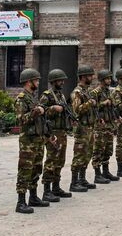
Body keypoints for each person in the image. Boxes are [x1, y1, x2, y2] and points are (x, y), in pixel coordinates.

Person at [14, 68, 50, 214]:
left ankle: (33, 197)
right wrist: (37, 111)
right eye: (36, 80)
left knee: (36, 168)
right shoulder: (21, 99)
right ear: (29, 82)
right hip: (27, 141)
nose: (38, 82)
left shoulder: (33, 97)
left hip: (38, 139)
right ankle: (21, 202)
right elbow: (21, 119)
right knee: (25, 170)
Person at [39, 69, 73, 203]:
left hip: (62, 131)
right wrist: (53, 108)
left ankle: (56, 187)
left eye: (62, 80)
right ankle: (47, 191)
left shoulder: (61, 95)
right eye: (60, 80)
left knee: (60, 160)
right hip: (52, 132)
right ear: (53, 81)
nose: (62, 82)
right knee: (51, 160)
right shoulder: (47, 96)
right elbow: (40, 112)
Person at [69, 65, 98, 192]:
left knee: (88, 153)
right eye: (90, 75)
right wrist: (89, 103)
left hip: (90, 127)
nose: (92, 77)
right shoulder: (77, 92)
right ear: (83, 77)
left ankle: (82, 179)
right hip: (82, 128)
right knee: (79, 155)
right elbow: (77, 110)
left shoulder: (87, 91)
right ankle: (74, 182)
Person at [91, 70, 118, 183]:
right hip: (100, 125)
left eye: (110, 78)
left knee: (108, 149)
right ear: (102, 80)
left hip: (109, 124)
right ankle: (98, 175)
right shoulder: (95, 92)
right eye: (107, 78)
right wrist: (103, 103)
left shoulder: (108, 92)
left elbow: (112, 107)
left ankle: (105, 172)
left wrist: (116, 117)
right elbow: (92, 107)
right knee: (98, 149)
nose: (109, 80)